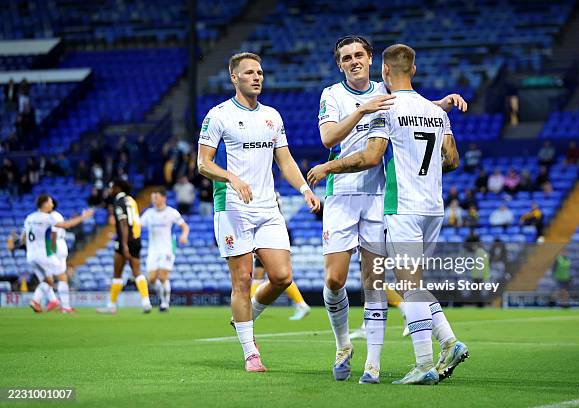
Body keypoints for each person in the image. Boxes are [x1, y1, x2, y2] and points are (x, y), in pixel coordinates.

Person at [308, 43, 469, 385]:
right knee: (337, 280)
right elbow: (327, 137)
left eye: (358, 55)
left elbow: (373, 154)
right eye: (346, 57)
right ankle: (346, 345)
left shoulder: (388, 97)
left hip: (385, 199)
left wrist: (326, 168)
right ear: (339, 65)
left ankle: (378, 365)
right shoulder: (334, 95)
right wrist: (436, 109)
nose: (353, 61)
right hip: (349, 198)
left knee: (380, 282)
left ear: (374, 63)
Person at [197, 52, 320, 372]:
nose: (257, 77)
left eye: (260, 72)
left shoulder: (273, 116)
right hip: (233, 206)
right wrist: (232, 178)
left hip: (268, 206)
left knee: (281, 276)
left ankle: (246, 314)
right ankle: (251, 352)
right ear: (234, 78)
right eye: (249, 72)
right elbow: (203, 163)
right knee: (243, 278)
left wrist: (305, 189)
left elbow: (286, 161)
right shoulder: (218, 115)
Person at [18, 195, 93, 312]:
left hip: (31, 255)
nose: (52, 205)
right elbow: (67, 225)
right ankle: (65, 307)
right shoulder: (48, 218)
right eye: (50, 202)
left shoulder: (29, 217)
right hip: (43, 253)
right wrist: (84, 216)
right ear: (44, 204)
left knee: (48, 280)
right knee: (62, 277)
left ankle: (40, 301)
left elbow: (22, 238)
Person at [250, 192, 311, 320]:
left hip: (268, 234)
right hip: (274, 233)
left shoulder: (265, 192)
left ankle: (251, 307)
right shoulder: (271, 191)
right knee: (269, 275)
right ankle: (301, 304)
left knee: (276, 275)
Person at [97, 178, 152, 314]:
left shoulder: (119, 201)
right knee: (136, 271)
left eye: (111, 187)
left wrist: (124, 244)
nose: (110, 190)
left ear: (117, 188)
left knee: (117, 273)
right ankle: (146, 303)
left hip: (125, 239)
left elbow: (123, 223)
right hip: (136, 238)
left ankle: (111, 306)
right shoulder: (130, 200)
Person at [139, 187, 189, 312]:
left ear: (163, 198)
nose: (154, 200)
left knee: (162, 277)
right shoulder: (149, 214)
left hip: (167, 249)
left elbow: (185, 227)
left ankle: (165, 303)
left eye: (156, 197)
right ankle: (163, 299)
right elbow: (138, 226)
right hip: (153, 250)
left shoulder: (171, 212)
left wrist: (184, 235)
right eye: (152, 198)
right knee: (151, 279)